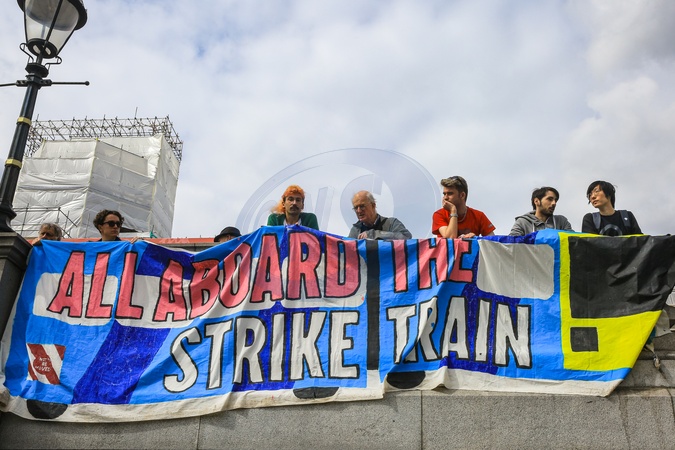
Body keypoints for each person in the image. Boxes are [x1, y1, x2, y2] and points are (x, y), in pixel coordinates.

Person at [348, 190, 412, 240]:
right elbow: (347, 249)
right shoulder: (355, 231)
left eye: (362, 206)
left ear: (373, 205)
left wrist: (374, 234)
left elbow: (406, 237)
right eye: (356, 208)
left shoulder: (391, 223)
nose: (358, 211)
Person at [509, 187, 574, 236]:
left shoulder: (561, 221)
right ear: (536, 201)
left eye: (555, 200)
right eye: (550, 199)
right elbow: (512, 243)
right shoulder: (522, 222)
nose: (554, 203)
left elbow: (574, 241)